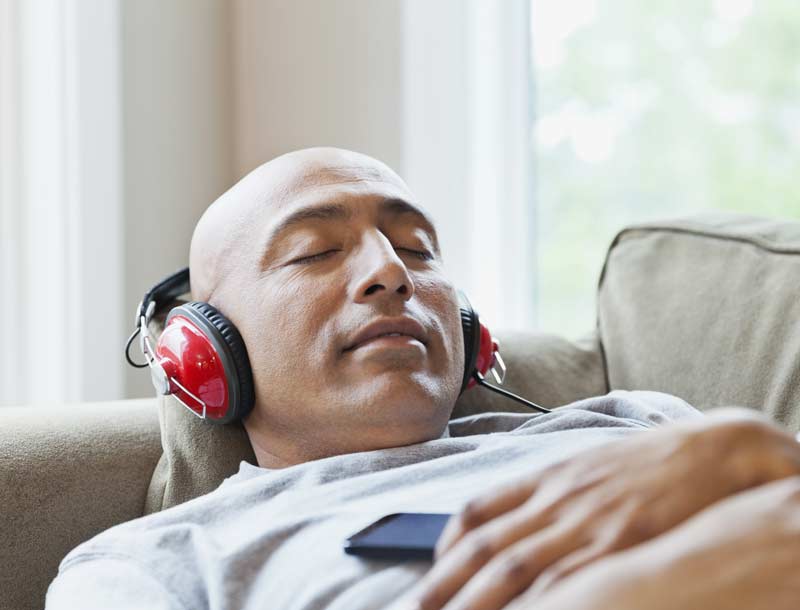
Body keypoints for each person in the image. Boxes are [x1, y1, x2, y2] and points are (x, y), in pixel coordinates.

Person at [45, 148, 800, 610]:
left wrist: (758, 454)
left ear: (470, 332)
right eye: (313, 251)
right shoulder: (157, 560)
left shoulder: (633, 423)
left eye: (418, 248)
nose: (390, 274)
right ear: (206, 350)